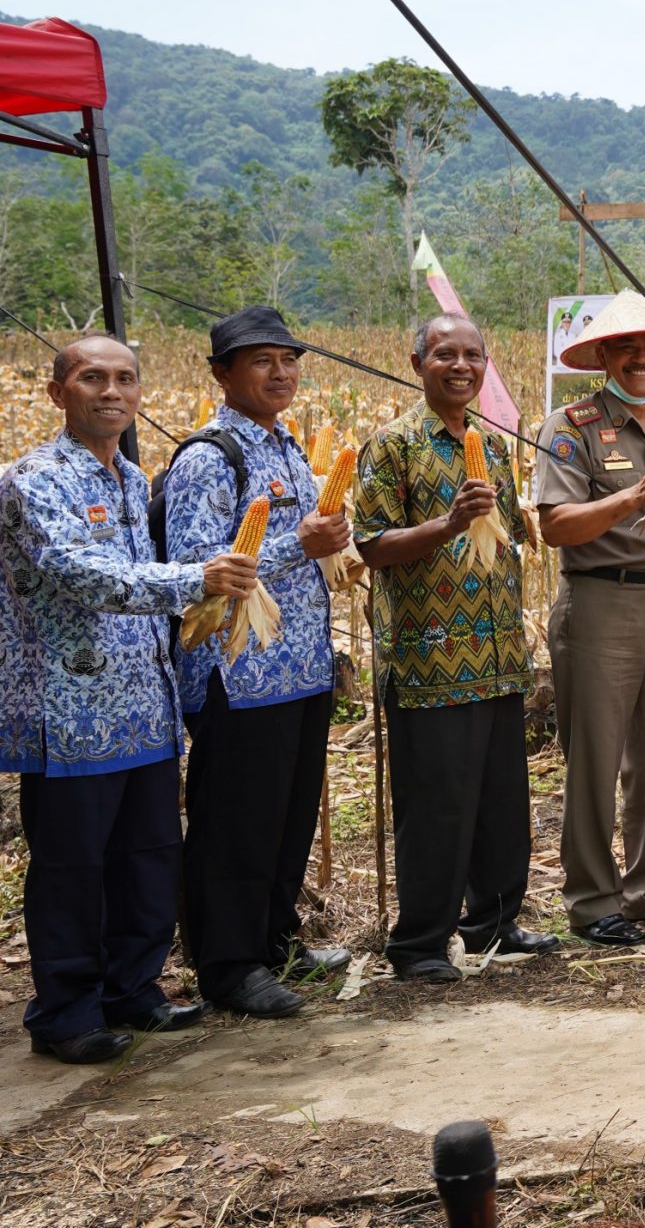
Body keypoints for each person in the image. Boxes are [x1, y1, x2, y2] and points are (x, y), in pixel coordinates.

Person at [4, 336, 259, 1063]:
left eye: (124, 378)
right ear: (59, 392)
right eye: (92, 377)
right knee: (72, 866)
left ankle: (134, 987)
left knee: (148, 855)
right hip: (71, 709)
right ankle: (66, 1010)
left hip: (144, 706)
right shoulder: (32, 480)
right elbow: (81, 575)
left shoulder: (129, 476)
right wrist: (195, 579)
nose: (110, 390)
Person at [352, 315, 556, 982]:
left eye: (472, 354)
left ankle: (494, 922)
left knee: (502, 800)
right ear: (417, 361)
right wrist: (448, 523)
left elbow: (517, 532)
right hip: (430, 659)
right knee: (437, 807)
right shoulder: (393, 445)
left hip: (497, 654)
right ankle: (419, 944)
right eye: (446, 354)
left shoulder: (490, 447)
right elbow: (372, 546)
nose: (460, 365)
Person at [163, 306, 351, 1015]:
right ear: (222, 374)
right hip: (237, 677)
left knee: (287, 815)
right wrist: (297, 543)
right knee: (235, 821)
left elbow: (313, 545)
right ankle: (229, 965)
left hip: (299, 667)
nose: (282, 371)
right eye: (262, 360)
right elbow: (194, 570)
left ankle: (275, 939)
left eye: (289, 358)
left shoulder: (288, 445)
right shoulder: (210, 458)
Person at [532, 290, 645, 946]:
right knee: (596, 754)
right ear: (605, 354)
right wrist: (633, 494)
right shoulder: (570, 426)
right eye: (629, 346)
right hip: (599, 599)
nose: (643, 358)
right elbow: (554, 526)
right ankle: (591, 898)